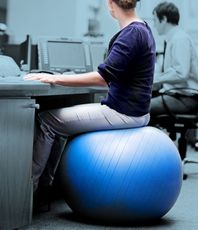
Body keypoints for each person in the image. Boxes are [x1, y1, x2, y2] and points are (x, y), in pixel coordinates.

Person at [25, 0, 155, 201]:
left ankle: (26, 193)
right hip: (136, 111)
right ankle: (47, 186)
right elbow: (112, 76)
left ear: (111, 4)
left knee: (47, 121)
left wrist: (54, 77)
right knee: (60, 120)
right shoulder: (143, 29)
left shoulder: (131, 33)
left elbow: (104, 77)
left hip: (123, 112)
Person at [149, 1, 198, 121]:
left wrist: (156, 79)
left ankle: (153, 139)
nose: (154, 25)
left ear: (163, 19)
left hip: (185, 99)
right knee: (139, 103)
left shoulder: (180, 39)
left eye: (155, 20)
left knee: (139, 108)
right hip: (179, 96)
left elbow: (180, 73)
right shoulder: (174, 38)